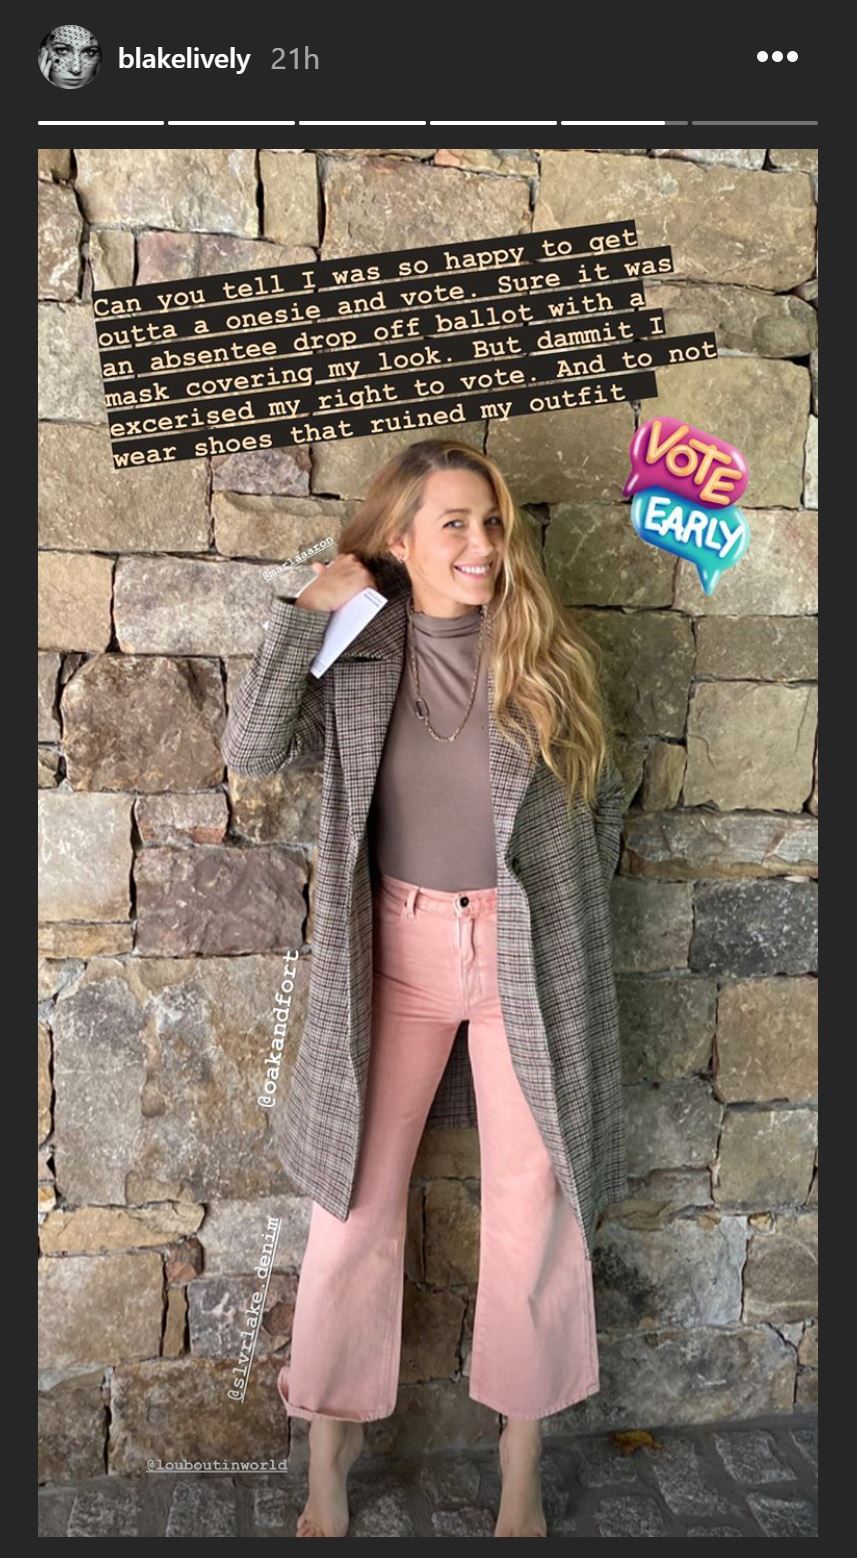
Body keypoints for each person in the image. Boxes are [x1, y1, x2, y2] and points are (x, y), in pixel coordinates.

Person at [221, 438, 628, 1537]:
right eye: (454, 523)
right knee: (351, 1199)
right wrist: (307, 609)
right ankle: (330, 1446)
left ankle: (519, 1451)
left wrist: (564, 921)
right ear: (399, 539)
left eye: (490, 522)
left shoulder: (540, 650)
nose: (481, 544)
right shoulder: (358, 651)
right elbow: (254, 749)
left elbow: (602, 800)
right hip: (394, 953)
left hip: (524, 953)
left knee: (533, 1201)